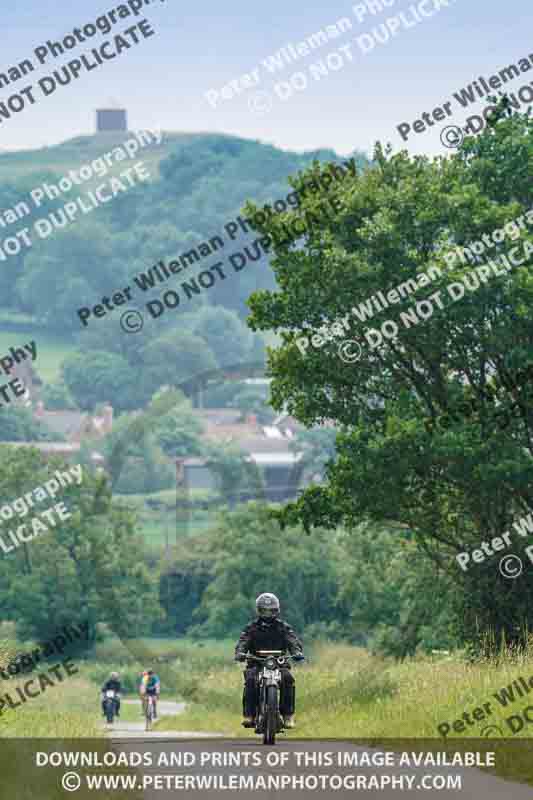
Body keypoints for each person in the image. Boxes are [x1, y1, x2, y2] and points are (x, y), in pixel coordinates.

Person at [234, 593, 305, 729]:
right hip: (256, 662)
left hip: (279, 663)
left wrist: (296, 652)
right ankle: (249, 715)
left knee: (288, 679)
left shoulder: (283, 627)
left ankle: (287, 715)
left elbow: (292, 640)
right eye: (264, 610)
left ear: (276, 610)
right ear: (259, 610)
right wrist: (240, 653)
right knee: (250, 679)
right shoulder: (251, 627)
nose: (267, 613)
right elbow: (243, 641)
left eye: (270, 610)